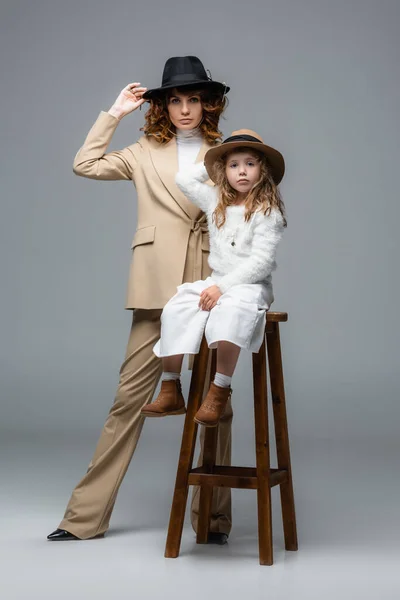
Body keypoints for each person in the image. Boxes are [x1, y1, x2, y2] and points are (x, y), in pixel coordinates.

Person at [47, 56, 232, 544]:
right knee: (129, 399)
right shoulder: (143, 150)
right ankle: (83, 518)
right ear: (163, 106)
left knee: (214, 402)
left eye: (194, 99)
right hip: (157, 283)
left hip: (212, 279)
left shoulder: (227, 151)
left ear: (208, 104)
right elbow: (84, 164)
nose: (186, 109)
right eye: (176, 100)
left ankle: (212, 521)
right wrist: (115, 112)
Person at [141, 130, 286, 427]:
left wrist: (223, 288)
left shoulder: (266, 212)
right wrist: (217, 156)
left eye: (250, 164)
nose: (242, 171)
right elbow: (184, 180)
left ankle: (220, 388)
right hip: (217, 280)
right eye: (233, 165)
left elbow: (261, 262)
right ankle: (171, 387)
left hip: (249, 286)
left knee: (231, 311)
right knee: (177, 306)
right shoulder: (216, 200)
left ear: (263, 169)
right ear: (223, 171)